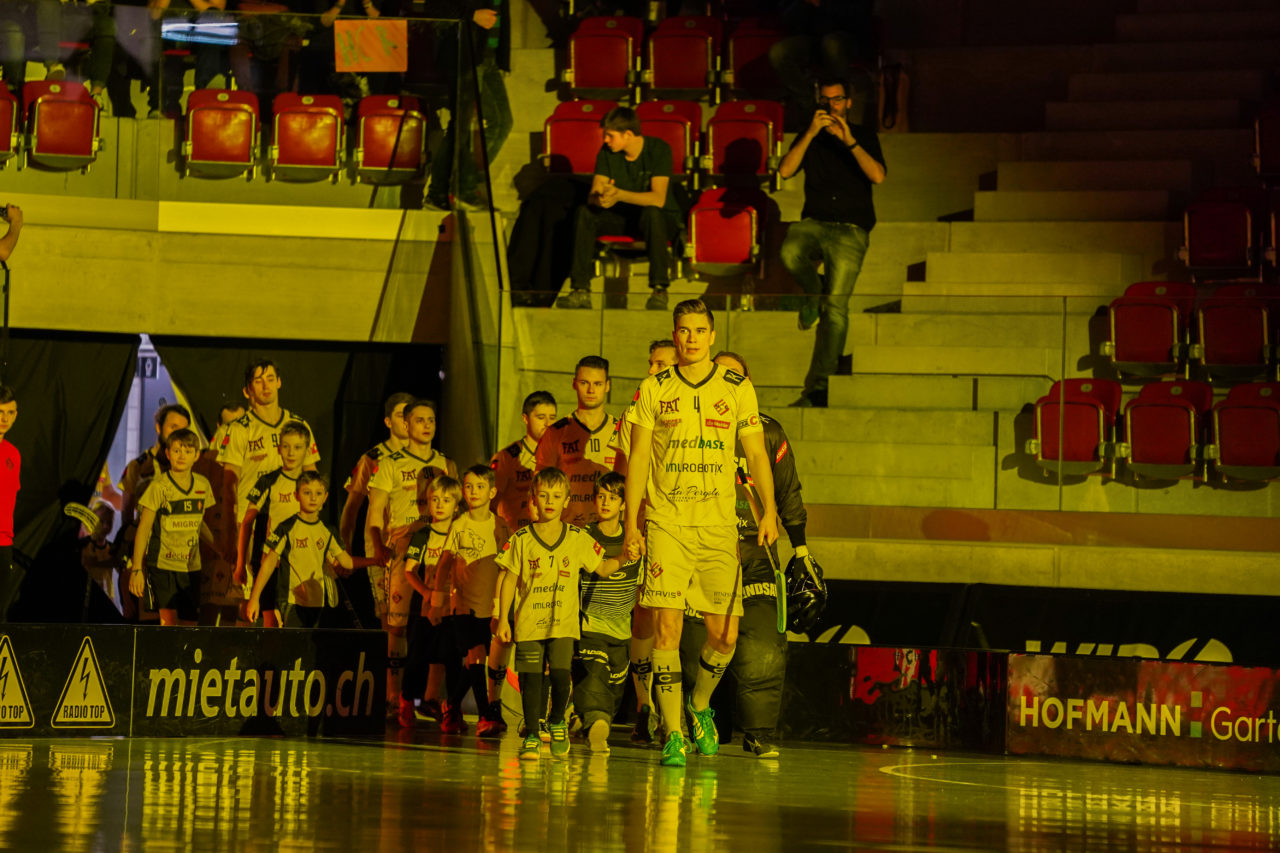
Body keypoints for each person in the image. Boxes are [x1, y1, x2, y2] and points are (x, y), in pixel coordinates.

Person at [622, 298, 779, 768]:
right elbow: (637, 460)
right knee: (666, 629)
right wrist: (632, 523)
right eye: (682, 330)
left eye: (698, 330)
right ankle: (673, 732)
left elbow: (754, 455)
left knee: (725, 634)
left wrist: (768, 511)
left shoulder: (736, 387)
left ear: (712, 335)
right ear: (674, 335)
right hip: (667, 520)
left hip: (717, 524)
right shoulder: (652, 388)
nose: (690, 338)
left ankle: (700, 704)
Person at [677, 351, 810, 759]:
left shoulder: (768, 431)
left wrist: (801, 548)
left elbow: (787, 489)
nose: (730, 383)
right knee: (693, 643)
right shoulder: (688, 422)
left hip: (755, 551)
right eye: (724, 375)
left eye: (738, 377)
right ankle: (687, 722)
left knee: (764, 644)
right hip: (699, 547)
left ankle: (759, 733)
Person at [495, 466, 620, 761]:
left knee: (563, 676)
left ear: (566, 500)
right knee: (531, 680)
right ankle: (533, 736)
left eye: (557, 495)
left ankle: (557, 721)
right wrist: (502, 618)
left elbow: (602, 568)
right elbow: (509, 579)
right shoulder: (521, 539)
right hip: (528, 623)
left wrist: (627, 555)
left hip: (563, 624)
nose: (550, 501)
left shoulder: (577, 538)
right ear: (532, 500)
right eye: (543, 495)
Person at [778, 76, 885, 409]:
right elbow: (785, 171)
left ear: (849, 103)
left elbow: (878, 176)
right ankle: (815, 289)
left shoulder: (864, 136)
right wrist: (811, 132)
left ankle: (819, 387)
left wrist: (849, 140)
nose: (831, 107)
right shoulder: (811, 136)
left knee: (835, 310)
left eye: (837, 100)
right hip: (815, 223)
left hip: (851, 230)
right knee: (790, 252)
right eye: (826, 101)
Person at [606, 337, 677, 743]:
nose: (652, 370)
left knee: (677, 617)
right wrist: (627, 523)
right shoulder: (634, 411)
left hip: (683, 524)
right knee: (643, 612)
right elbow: (619, 472)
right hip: (645, 524)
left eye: (660, 363)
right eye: (650, 362)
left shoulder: (695, 405)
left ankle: (681, 710)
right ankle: (644, 705)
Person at [365, 398, 456, 709]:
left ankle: (430, 697)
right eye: (420, 420)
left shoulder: (445, 464)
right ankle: (393, 696)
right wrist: (378, 547)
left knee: (438, 621)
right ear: (406, 425)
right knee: (398, 626)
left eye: (431, 420)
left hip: (439, 553)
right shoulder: (390, 464)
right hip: (403, 553)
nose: (427, 426)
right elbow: (375, 514)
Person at [560, 106, 682, 311]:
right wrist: (602, 199)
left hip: (658, 220)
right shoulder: (608, 153)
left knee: (652, 213)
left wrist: (619, 194)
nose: (605, 140)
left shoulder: (659, 149)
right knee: (585, 212)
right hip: (622, 217)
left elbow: (658, 199)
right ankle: (580, 290)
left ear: (628, 134)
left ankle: (659, 290)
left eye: (610, 136)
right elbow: (595, 192)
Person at [430, 464, 510, 735]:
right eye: (469, 486)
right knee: (476, 656)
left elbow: (507, 567)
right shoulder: (460, 524)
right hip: (463, 604)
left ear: (492, 491)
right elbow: (443, 564)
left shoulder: (500, 525)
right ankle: (487, 715)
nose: (474, 491)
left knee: (475, 660)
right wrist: (437, 601)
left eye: (480, 486)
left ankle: (450, 705)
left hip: (490, 606)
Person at [247, 472, 378, 627]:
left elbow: (347, 562)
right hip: (291, 601)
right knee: (295, 647)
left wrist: (376, 560)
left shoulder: (328, 530)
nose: (313, 498)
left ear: (325, 497)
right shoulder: (286, 527)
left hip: (318, 603)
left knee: (312, 649)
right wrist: (254, 599)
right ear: (296, 496)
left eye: (318, 493)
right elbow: (268, 564)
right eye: (307, 493)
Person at [576, 472, 641, 754]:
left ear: (623, 504)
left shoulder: (636, 537)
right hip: (590, 627)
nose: (605, 502)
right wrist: (626, 557)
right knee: (594, 680)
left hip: (622, 631)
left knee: (613, 691)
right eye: (600, 496)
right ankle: (594, 722)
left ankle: (582, 720)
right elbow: (600, 569)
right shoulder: (585, 535)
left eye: (612, 498)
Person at [128, 428, 219, 626]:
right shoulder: (158, 486)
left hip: (191, 566)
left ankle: (182, 658)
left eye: (187, 451)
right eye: (177, 450)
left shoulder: (203, 485)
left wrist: (221, 548)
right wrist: (137, 569)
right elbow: (143, 528)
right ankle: (166, 657)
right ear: (168, 454)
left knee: (190, 622)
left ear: (196, 455)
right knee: (168, 623)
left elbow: (200, 523)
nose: (181, 456)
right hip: (163, 564)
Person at [218, 360, 320, 524]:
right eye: (258, 381)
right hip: (252, 524)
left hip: (292, 523)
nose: (266, 386)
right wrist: (231, 528)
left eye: (271, 379)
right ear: (249, 389)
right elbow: (229, 485)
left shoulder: (299, 425)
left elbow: (312, 477)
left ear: (279, 382)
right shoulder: (239, 429)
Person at [234, 420, 311, 627]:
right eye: (286, 446)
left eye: (297, 447)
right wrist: (241, 562)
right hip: (271, 563)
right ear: (278, 449)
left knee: (300, 624)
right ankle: (270, 660)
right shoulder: (268, 481)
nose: (291, 453)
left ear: (307, 450)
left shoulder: (313, 484)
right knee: (273, 623)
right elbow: (247, 522)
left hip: (301, 564)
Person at [398, 474, 459, 729]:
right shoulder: (423, 535)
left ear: (457, 506)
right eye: (435, 500)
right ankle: (406, 704)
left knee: (452, 658)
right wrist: (425, 592)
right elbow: (409, 570)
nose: (440, 505)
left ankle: (451, 709)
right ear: (427, 503)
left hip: (454, 608)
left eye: (446, 500)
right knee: (417, 658)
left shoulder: (462, 532)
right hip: (425, 608)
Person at [534, 356, 620, 527]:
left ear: (608, 386)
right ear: (574, 384)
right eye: (584, 383)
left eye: (598, 384)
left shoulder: (621, 430)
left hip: (610, 530)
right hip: (568, 528)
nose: (590, 390)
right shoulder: (556, 432)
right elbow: (540, 483)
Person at [769, 0, 874, 130]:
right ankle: (809, 109)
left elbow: (859, 15)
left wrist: (823, 4)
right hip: (813, 39)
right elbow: (787, 19)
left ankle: (838, 105)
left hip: (848, 37)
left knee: (831, 44)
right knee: (779, 53)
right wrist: (803, 4)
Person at [340, 392, 414, 556]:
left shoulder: (426, 457)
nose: (406, 421)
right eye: (401, 415)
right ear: (388, 422)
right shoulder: (371, 459)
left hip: (416, 547)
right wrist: (345, 546)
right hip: (382, 547)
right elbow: (352, 507)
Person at [490, 390, 555, 533]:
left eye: (552, 417)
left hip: (548, 537)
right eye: (540, 417)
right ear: (525, 418)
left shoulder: (560, 456)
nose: (547, 423)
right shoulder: (506, 458)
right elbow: (490, 504)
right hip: (513, 537)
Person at [0, 386, 18, 622]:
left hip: (4, 542)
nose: (5, 418)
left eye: (10, 412)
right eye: (0, 412)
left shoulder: (13, 454)